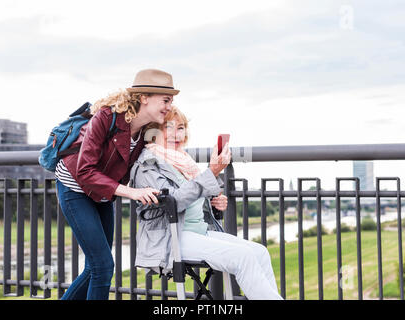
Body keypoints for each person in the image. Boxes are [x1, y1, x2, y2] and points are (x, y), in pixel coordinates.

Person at [130, 106, 283, 300]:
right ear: (153, 132)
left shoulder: (183, 161)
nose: (176, 134)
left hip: (197, 231)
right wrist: (212, 172)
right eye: (168, 127)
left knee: (260, 252)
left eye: (181, 128)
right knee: (243, 256)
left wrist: (212, 202)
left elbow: (191, 199)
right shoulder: (147, 165)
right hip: (171, 238)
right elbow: (174, 202)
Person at [55, 69, 179, 300]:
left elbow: (163, 160)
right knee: (102, 266)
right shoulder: (106, 117)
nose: (169, 106)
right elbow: (84, 170)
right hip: (74, 186)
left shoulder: (146, 132)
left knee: (96, 267)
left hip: (103, 193)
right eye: (166, 100)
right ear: (144, 98)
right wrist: (132, 192)